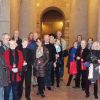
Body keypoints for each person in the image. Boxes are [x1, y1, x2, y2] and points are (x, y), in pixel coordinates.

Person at [0, 33, 10, 100]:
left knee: (7, 88)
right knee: (1, 89)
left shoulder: (10, 48)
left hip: (9, 71)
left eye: (8, 38)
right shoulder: (0, 49)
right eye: (6, 38)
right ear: (2, 39)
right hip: (2, 72)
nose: (8, 40)